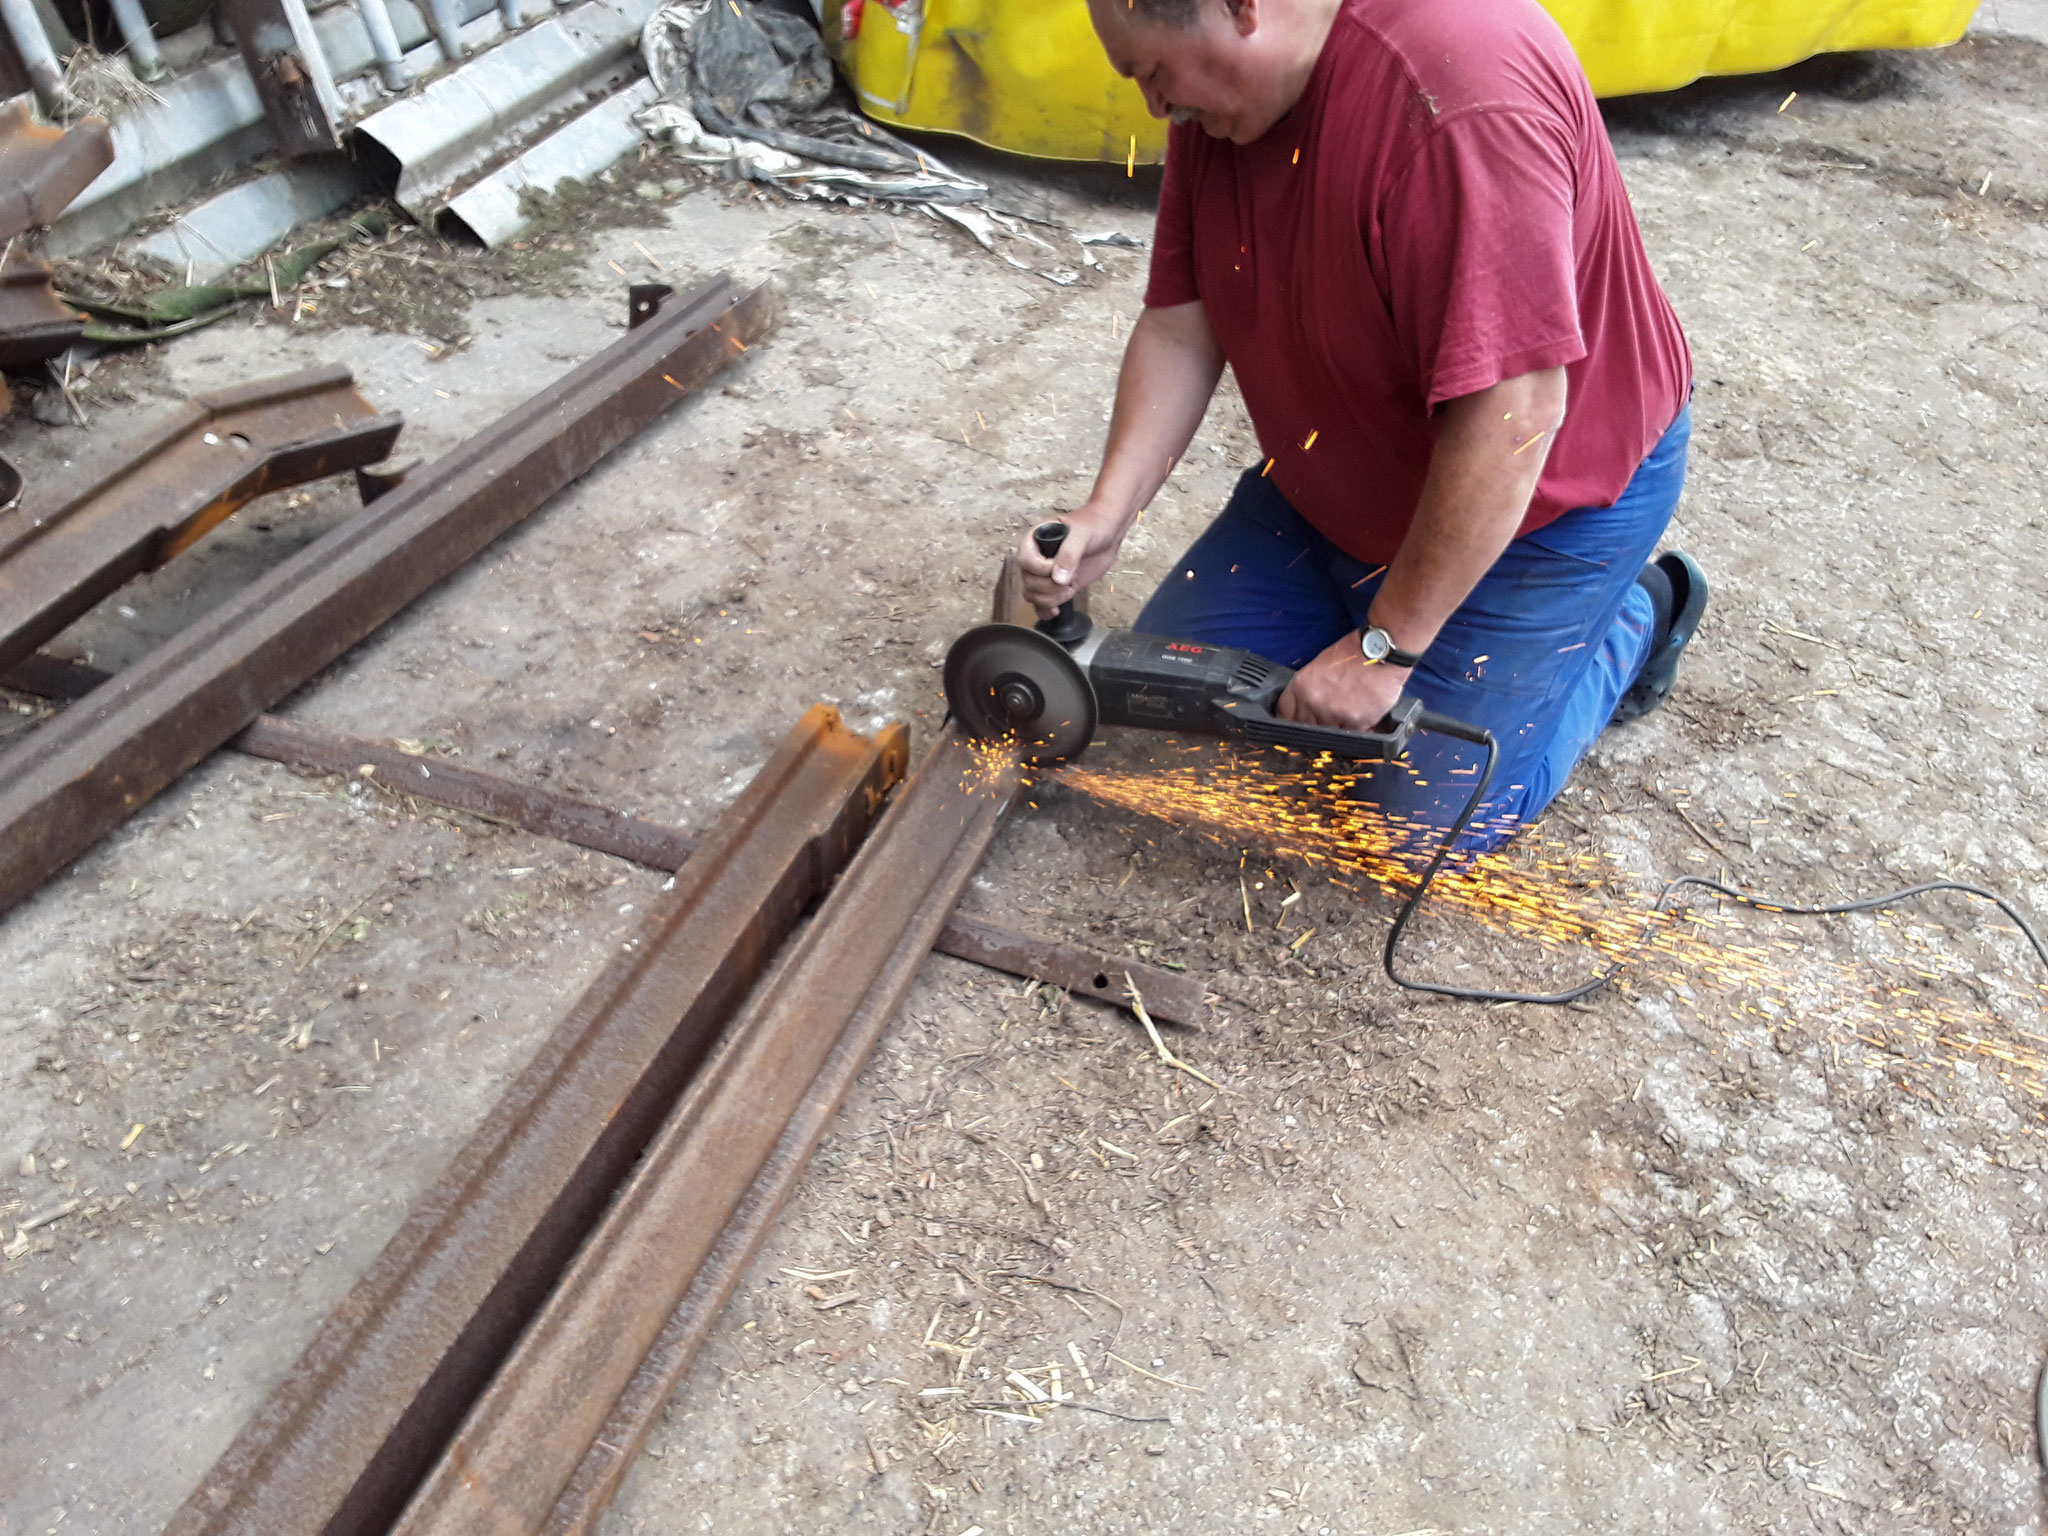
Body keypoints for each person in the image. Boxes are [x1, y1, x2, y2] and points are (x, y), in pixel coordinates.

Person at [1017, 0, 1705, 848]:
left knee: (1407, 823)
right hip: (1340, 478)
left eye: (1154, 73)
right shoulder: (1230, 98)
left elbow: (1515, 416)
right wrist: (1105, 515)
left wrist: (1386, 647)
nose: (1157, 108)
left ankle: (1634, 615)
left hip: (1543, 505)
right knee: (1166, 717)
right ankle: (1367, 593)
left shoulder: (1461, 101)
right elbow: (1180, 320)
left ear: (1241, 7)